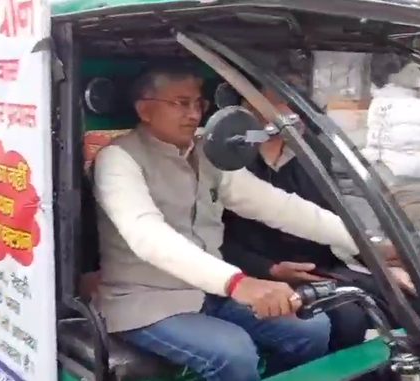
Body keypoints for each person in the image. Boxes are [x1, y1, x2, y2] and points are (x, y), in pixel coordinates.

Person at [93, 65, 364, 381]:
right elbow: (148, 236)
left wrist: (362, 243)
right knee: (235, 353)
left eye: (199, 104)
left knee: (312, 329)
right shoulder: (118, 159)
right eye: (181, 103)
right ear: (145, 109)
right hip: (147, 301)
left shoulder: (206, 153)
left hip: (210, 292)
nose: (194, 114)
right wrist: (238, 283)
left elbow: (276, 206)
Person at [219, 87, 411, 353]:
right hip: (258, 273)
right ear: (244, 106)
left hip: (319, 265)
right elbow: (213, 236)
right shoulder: (225, 160)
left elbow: (334, 215)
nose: (285, 108)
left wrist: (380, 261)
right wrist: (268, 269)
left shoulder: (313, 154)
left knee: (404, 299)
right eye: (274, 100)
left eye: (290, 101)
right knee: (347, 318)